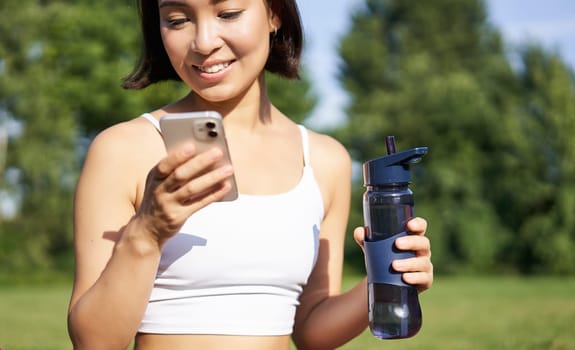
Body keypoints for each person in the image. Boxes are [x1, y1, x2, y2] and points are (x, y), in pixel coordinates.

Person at [66, 0, 434, 349]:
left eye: (227, 13)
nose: (203, 42)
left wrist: (385, 278)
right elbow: (94, 342)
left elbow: (311, 332)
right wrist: (146, 233)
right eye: (177, 20)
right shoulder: (123, 149)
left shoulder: (325, 159)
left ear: (274, 14)